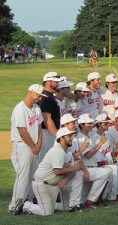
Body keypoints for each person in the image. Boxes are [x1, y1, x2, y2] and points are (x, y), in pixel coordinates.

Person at [20, 127, 84, 215]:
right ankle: (26, 205)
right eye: (69, 136)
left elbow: (73, 171)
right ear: (61, 138)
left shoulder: (68, 152)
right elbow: (57, 171)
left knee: (78, 175)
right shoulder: (57, 151)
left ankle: (73, 206)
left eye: (71, 136)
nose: (71, 138)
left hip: (56, 183)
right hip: (42, 184)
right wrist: (75, 168)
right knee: (46, 213)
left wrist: (65, 179)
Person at [9, 84, 45, 214]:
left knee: (33, 175)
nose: (40, 98)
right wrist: (33, 146)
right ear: (31, 92)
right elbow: (22, 131)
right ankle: (14, 205)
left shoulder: (36, 109)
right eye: (38, 95)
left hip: (34, 145)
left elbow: (40, 128)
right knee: (22, 176)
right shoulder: (20, 109)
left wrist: (39, 144)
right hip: (23, 145)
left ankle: (27, 202)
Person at [76, 114, 112, 209]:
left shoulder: (87, 136)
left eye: (92, 123)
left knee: (80, 201)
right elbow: (88, 155)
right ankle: (90, 202)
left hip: (90, 169)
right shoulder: (80, 137)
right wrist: (100, 143)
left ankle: (91, 202)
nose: (92, 125)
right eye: (89, 123)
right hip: (85, 170)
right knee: (106, 172)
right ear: (82, 125)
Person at [90, 113, 118, 203]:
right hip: (99, 165)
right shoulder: (93, 139)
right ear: (98, 124)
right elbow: (97, 161)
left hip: (108, 162)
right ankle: (112, 197)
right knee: (114, 167)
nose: (108, 125)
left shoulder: (107, 135)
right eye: (105, 124)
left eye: (108, 123)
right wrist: (115, 159)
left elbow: (110, 152)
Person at [38, 72, 63, 163]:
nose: (58, 84)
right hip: (47, 133)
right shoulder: (46, 97)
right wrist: (57, 136)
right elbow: (47, 119)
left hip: (49, 133)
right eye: (56, 82)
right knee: (45, 161)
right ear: (48, 82)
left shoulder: (50, 96)